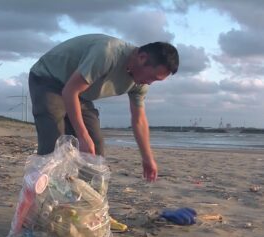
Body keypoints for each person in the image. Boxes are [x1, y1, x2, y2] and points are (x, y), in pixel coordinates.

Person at [29, 34, 179, 182]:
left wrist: (147, 158)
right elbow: (70, 91)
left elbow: (139, 120)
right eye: (153, 77)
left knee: (95, 144)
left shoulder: (140, 83)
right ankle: (38, 195)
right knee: (54, 142)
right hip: (49, 78)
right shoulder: (107, 54)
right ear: (142, 58)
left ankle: (84, 197)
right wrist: (82, 135)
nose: (151, 83)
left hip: (80, 92)